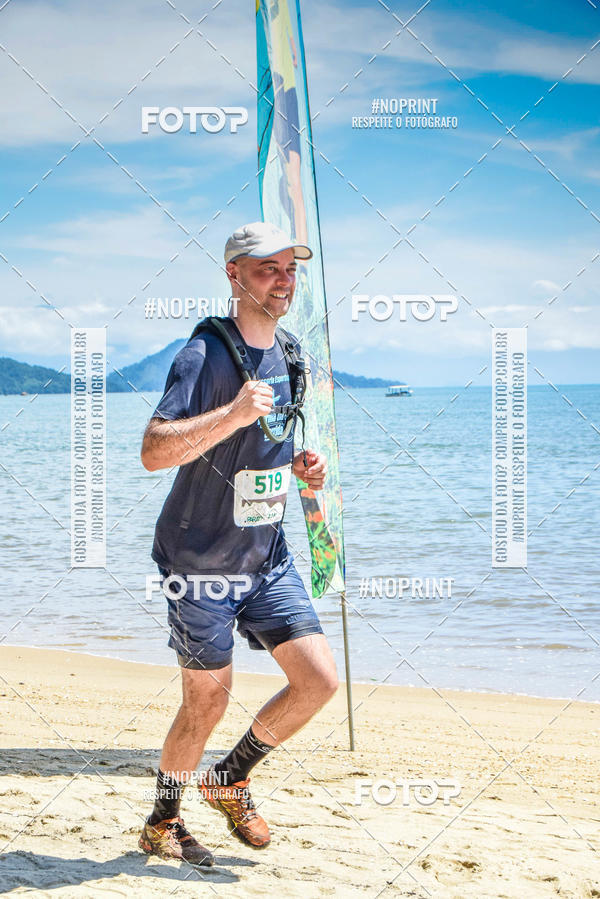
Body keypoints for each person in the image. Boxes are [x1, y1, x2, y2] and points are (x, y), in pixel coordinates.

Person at [138, 221, 339, 867]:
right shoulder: (202, 353)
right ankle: (163, 820)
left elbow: (267, 445)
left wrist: (303, 466)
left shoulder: (293, 352)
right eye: (266, 268)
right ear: (234, 274)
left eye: (289, 269)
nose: (282, 280)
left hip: (266, 553)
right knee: (208, 697)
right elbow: (153, 451)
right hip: (198, 560)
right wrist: (231, 414)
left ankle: (230, 777)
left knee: (318, 680)